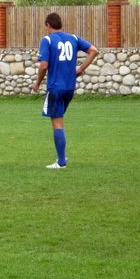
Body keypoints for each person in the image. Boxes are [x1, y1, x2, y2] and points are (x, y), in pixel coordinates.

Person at [32, 12, 99, 169]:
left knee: (57, 123)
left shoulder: (47, 40)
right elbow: (94, 50)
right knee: (59, 120)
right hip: (69, 87)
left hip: (55, 87)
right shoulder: (73, 38)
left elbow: (43, 66)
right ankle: (62, 157)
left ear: (48, 25)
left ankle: (61, 161)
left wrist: (37, 84)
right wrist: (81, 69)